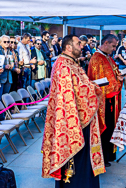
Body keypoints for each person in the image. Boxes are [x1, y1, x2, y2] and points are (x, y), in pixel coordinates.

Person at [42, 34, 105, 187]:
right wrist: (94, 90)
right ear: (69, 47)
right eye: (78, 43)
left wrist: (91, 87)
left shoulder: (71, 63)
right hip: (73, 121)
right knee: (76, 161)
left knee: (84, 159)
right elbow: (68, 96)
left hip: (81, 117)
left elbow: (79, 87)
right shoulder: (63, 65)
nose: (82, 45)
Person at [88, 34, 124, 166]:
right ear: (106, 43)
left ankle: (109, 154)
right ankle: (103, 156)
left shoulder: (107, 57)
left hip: (111, 99)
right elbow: (97, 81)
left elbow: (113, 74)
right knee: (105, 127)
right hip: (104, 100)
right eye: (113, 46)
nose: (114, 49)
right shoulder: (97, 58)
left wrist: (119, 78)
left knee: (110, 127)